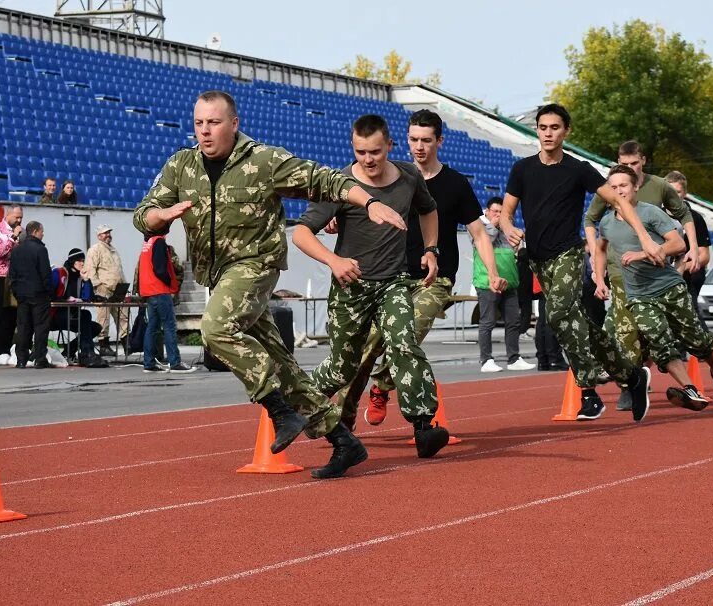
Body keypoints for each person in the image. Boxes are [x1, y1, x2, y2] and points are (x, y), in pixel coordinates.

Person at [134, 90, 407, 479]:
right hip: (219, 274)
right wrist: (161, 215)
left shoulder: (262, 161)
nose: (205, 132)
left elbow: (323, 178)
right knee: (285, 366)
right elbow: (143, 214)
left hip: (256, 265)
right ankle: (343, 441)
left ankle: (279, 410)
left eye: (213, 123)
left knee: (215, 329)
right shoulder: (181, 165)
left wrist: (368, 202)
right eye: (199, 123)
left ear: (234, 124)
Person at [293, 113, 477, 456]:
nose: (368, 159)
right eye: (361, 152)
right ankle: (294, 401)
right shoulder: (340, 184)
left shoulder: (408, 176)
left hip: (393, 283)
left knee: (403, 344)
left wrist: (431, 249)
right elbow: (301, 234)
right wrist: (333, 261)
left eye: (375, 152)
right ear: (353, 147)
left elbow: (429, 210)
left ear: (389, 146)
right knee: (343, 365)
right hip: (353, 288)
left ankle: (424, 428)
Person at [327, 109, 509, 428]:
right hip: (389, 277)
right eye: (413, 140)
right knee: (369, 344)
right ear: (405, 141)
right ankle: (344, 413)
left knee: (407, 332)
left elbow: (479, 233)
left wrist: (492, 272)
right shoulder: (391, 176)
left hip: (434, 279)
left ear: (439, 141)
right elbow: (358, 208)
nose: (419, 147)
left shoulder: (455, 184)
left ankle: (382, 387)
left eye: (426, 140)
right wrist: (335, 219)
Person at [498, 103, 656, 421]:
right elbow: (506, 211)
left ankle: (588, 392)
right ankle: (633, 376)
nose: (547, 133)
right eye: (543, 127)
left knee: (558, 316)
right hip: (538, 259)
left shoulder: (578, 169)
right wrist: (508, 227)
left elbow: (618, 201)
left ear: (566, 131)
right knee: (579, 325)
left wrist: (645, 236)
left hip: (568, 255)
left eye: (555, 127)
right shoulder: (522, 169)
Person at [594, 165, 713, 416]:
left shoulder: (651, 213)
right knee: (660, 344)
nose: (618, 191)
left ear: (636, 186)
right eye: (613, 187)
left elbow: (678, 243)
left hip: (668, 288)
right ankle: (691, 390)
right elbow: (601, 248)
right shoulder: (606, 222)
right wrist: (599, 279)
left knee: (698, 342)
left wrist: (640, 253)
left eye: (623, 185)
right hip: (638, 295)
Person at [584, 141, 697, 407]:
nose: (629, 168)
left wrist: (692, 248)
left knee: (652, 333)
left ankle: (648, 379)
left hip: (655, 275)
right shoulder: (611, 188)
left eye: (634, 163)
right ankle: (630, 385)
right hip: (621, 274)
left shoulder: (659, 187)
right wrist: (596, 271)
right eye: (625, 162)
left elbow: (684, 213)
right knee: (625, 333)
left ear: (642, 162)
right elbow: (591, 222)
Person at [472, 197, 528, 373]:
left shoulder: (507, 231)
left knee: (513, 321)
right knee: (487, 322)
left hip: (510, 282)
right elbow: (485, 239)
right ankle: (486, 359)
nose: (497, 215)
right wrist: (495, 225)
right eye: (495, 212)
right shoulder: (479, 229)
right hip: (487, 283)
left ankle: (514, 358)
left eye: (501, 212)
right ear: (487, 212)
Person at [137, 227, 194, 373]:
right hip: (160, 290)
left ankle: (148, 363)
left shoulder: (147, 244)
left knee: (153, 327)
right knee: (169, 326)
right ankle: (175, 362)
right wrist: (169, 282)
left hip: (150, 292)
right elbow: (160, 269)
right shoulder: (159, 242)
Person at [666, 170, 712, 327]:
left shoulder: (695, 218)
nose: (674, 195)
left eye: (677, 191)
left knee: (690, 321)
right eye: (670, 191)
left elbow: (704, 255)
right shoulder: (655, 215)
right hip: (661, 277)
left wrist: (682, 267)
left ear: (684, 193)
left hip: (688, 279)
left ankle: (707, 349)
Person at [9, 221, 55, 369]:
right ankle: (40, 358)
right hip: (39, 295)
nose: (43, 234)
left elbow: (12, 275)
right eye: (42, 231)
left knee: (23, 327)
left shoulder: (16, 250)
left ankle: (21, 359)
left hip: (22, 295)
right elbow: (45, 274)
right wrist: (49, 292)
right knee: (40, 328)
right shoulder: (40, 250)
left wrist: (16, 292)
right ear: (35, 231)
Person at [83, 224, 129, 356]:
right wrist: (97, 286)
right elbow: (90, 269)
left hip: (117, 288)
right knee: (103, 318)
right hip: (103, 288)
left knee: (123, 315)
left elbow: (118, 270)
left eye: (109, 232)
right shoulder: (95, 249)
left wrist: (124, 284)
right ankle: (103, 345)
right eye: (104, 233)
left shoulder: (113, 250)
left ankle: (126, 342)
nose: (108, 235)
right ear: (99, 236)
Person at [60, 248, 107, 368]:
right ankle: (87, 353)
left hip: (74, 314)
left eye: (83, 260)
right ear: (72, 262)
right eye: (79, 261)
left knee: (95, 327)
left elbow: (88, 297)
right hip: (60, 314)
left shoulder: (80, 276)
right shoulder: (63, 273)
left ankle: (69, 350)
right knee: (85, 316)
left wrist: (86, 280)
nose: (82, 263)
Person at [0, 205, 23, 361]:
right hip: (3, 277)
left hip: (17, 276)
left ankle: (10, 347)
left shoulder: (20, 231)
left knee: (14, 314)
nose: (19, 220)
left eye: (21, 217)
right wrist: (13, 238)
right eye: (16, 217)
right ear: (8, 215)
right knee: (3, 314)